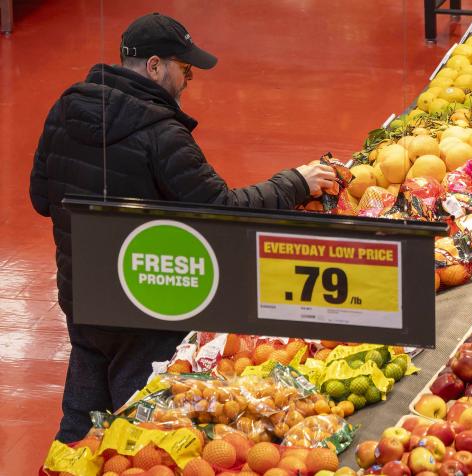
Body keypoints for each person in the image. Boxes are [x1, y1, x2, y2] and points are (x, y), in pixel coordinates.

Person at [29, 12, 336, 443]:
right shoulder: (160, 132)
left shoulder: (65, 108)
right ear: (155, 66)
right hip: (145, 300)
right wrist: (294, 183)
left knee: (81, 422)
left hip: (82, 294)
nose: (189, 77)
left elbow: (41, 199)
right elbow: (222, 211)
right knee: (140, 431)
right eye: (185, 67)